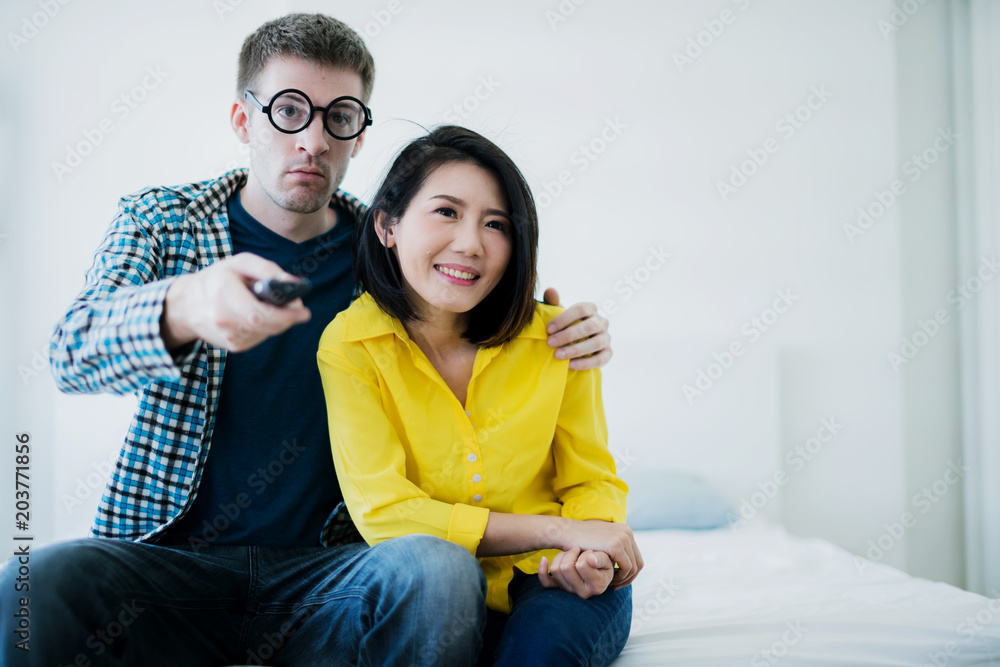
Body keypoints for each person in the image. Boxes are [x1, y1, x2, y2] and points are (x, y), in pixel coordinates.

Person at [0, 13, 615, 667]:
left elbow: (483, 300)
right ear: (243, 120)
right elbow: (72, 353)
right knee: (30, 588)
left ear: (360, 133)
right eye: (289, 111)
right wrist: (186, 305)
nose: (314, 141)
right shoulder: (162, 224)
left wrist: (567, 324)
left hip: (336, 573)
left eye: (341, 116)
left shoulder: (390, 250)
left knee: (437, 570)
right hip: (169, 566)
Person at [317, 125, 641, 666]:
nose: (470, 243)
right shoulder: (351, 346)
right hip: (436, 592)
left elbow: (590, 477)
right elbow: (386, 512)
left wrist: (589, 549)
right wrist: (562, 529)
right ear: (387, 225)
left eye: (496, 224)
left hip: (554, 577)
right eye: (446, 212)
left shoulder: (557, 336)